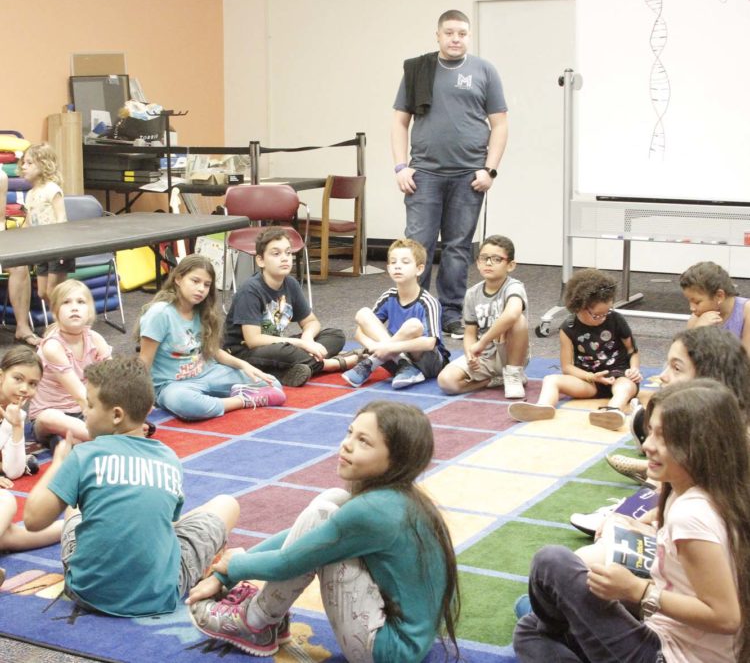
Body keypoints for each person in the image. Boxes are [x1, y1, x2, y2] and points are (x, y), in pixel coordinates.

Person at [186, 400, 460, 662]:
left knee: (323, 518)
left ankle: (255, 622)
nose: (346, 445)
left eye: (364, 441)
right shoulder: (398, 497)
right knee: (331, 501)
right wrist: (225, 570)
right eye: (350, 433)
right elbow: (303, 537)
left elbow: (288, 562)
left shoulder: (373, 511)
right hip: (411, 641)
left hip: (388, 651)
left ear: (397, 460)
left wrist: (233, 568)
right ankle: (270, 618)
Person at [513, 378, 750, 663]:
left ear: (699, 443)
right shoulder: (714, 489)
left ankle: (565, 625)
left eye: (662, 436)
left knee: (551, 564)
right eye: (650, 432)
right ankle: (566, 626)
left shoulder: (692, 515)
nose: (647, 445)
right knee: (529, 629)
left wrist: (637, 590)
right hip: (669, 633)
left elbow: (726, 617)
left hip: (670, 654)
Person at [23, 356, 240, 617]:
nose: (84, 413)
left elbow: (34, 520)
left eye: (89, 406)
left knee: (74, 510)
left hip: (87, 591)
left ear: (116, 415)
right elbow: (169, 526)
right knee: (227, 504)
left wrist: (58, 465)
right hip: (160, 593)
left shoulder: (85, 455)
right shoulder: (168, 458)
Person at [391, 9, 508, 339]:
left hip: (469, 176)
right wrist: (401, 166)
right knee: (418, 245)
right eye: (449, 33)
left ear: (469, 36)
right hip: (424, 173)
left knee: (457, 247)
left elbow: (500, 124)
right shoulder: (419, 70)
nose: (456, 39)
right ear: (438, 36)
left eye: (462, 33)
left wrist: (490, 170)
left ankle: (451, 313)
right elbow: (400, 121)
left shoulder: (484, 70)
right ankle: (413, 310)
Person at [138, 254, 285, 421]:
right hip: (173, 385)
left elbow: (213, 351)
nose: (201, 289)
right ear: (178, 279)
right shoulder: (160, 313)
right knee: (190, 405)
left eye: (206, 285)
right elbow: (144, 361)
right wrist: (143, 398)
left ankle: (224, 398)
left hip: (209, 373)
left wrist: (245, 366)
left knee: (272, 383)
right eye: (195, 281)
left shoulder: (202, 311)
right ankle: (243, 399)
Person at [608, 325, 750, 482]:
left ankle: (652, 469)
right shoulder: (705, 423)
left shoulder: (734, 444)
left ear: (710, 377)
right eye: (667, 365)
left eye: (676, 368)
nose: (662, 376)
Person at [509, 268, 641, 430]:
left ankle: (613, 410)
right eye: (597, 315)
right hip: (589, 380)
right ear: (579, 307)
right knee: (551, 379)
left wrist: (633, 369)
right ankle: (544, 407)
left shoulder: (616, 320)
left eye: (607, 312)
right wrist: (591, 376)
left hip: (618, 375)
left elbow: (632, 351)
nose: (603, 317)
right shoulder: (568, 328)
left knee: (625, 387)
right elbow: (567, 367)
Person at [223, 227, 347, 387]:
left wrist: (307, 338)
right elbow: (253, 340)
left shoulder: (291, 283)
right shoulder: (250, 290)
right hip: (245, 352)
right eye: (276, 254)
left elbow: (311, 322)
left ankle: (290, 370)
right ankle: (333, 364)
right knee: (284, 352)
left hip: (278, 346)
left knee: (336, 335)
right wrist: (302, 345)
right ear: (260, 260)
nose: (285, 258)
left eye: (288, 253)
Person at [342, 238, 450, 389]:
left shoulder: (428, 302)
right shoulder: (389, 296)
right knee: (363, 313)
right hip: (392, 356)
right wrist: (374, 346)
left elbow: (429, 343)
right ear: (388, 267)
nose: (398, 266)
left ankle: (372, 363)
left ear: (419, 269)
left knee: (413, 325)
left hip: (428, 363)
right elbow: (360, 331)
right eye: (393, 262)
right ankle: (403, 365)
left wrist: (387, 348)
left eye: (405, 262)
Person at [438, 234, 529, 398]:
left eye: (496, 259)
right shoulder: (472, 294)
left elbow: (512, 314)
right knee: (446, 381)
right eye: (484, 258)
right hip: (484, 356)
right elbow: (470, 333)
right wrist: (470, 354)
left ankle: (514, 374)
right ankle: (493, 380)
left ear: (510, 265)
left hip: (508, 353)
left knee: (518, 321)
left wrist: (483, 341)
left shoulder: (514, 287)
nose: (488, 263)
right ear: (478, 262)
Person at [28, 280, 112, 449]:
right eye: (66, 302)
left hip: (84, 411)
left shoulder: (95, 338)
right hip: (54, 412)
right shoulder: (53, 346)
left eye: (81, 302)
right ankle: (105, 438)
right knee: (49, 418)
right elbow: (79, 394)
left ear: (90, 311)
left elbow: (113, 380)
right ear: (55, 312)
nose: (74, 307)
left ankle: (71, 440)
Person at [8, 143, 71, 347]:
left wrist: (61, 246)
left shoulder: (52, 189)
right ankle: (60, 325)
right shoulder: (31, 193)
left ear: (43, 165)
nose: (23, 167)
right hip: (42, 249)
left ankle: (64, 327)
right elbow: (29, 222)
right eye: (23, 163)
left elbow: (61, 218)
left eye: (29, 163)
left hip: (57, 247)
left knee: (55, 290)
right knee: (43, 292)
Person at [0, 346, 63, 552]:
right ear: (1, 376)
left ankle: (78, 525)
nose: (24, 388)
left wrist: (16, 426)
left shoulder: (15, 414)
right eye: (17, 379)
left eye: (32, 383)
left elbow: (13, 471)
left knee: (8, 535)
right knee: (6, 501)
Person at [680, 260, 750, 354]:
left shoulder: (746, 312)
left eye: (697, 302)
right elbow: (683, 360)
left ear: (719, 296)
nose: (692, 308)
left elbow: (746, 361)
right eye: (690, 302)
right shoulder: (696, 320)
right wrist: (698, 331)